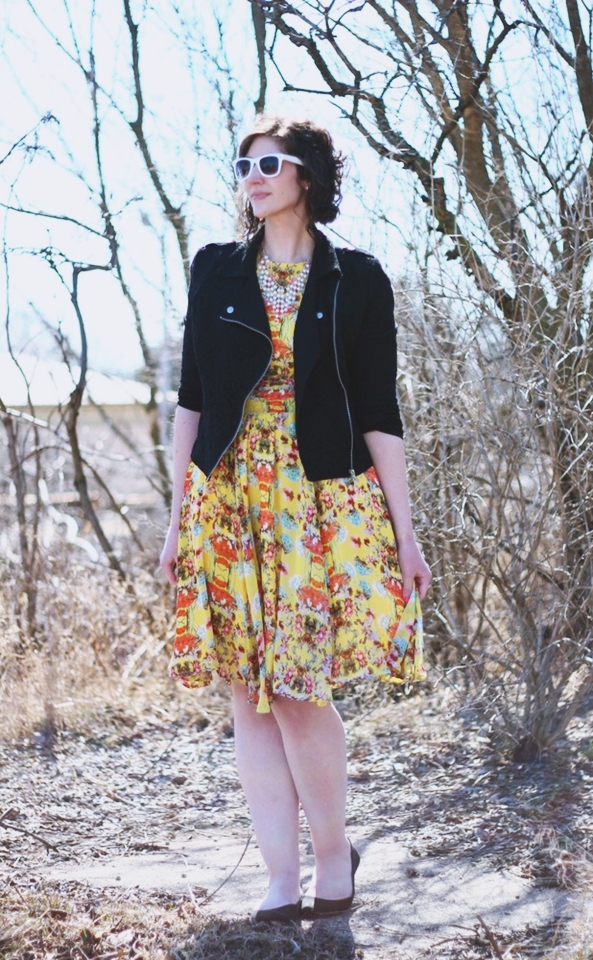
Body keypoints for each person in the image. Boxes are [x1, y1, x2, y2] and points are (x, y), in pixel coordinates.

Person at [159, 116, 432, 923]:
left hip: (321, 499)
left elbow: (380, 412)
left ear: (305, 175)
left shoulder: (358, 279)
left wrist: (406, 534)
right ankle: (280, 876)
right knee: (247, 690)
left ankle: (332, 858)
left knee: (301, 690)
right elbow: (192, 402)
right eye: (243, 163)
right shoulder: (214, 271)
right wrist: (179, 519)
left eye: (269, 162)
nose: (252, 174)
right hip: (230, 498)